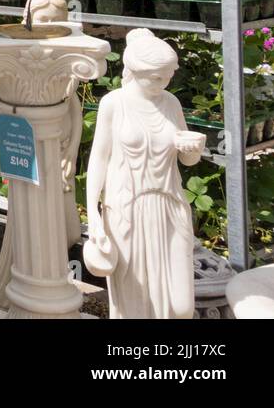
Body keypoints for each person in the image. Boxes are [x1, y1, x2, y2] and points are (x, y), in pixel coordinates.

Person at [84, 29, 202, 318]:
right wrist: (93, 215)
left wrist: (194, 147)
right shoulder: (114, 103)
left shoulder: (170, 103)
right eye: (156, 77)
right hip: (127, 210)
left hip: (169, 207)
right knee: (133, 304)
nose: (163, 83)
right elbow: (98, 159)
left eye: (168, 77)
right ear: (135, 70)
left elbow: (187, 160)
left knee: (182, 306)